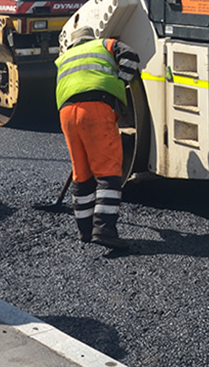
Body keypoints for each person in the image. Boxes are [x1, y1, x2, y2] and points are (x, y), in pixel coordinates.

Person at [55, 26, 141, 250]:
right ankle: (103, 229)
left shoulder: (64, 58)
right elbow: (131, 57)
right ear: (91, 37)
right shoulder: (106, 45)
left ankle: (84, 230)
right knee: (108, 172)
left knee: (82, 174)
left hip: (66, 113)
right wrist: (119, 82)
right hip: (96, 107)